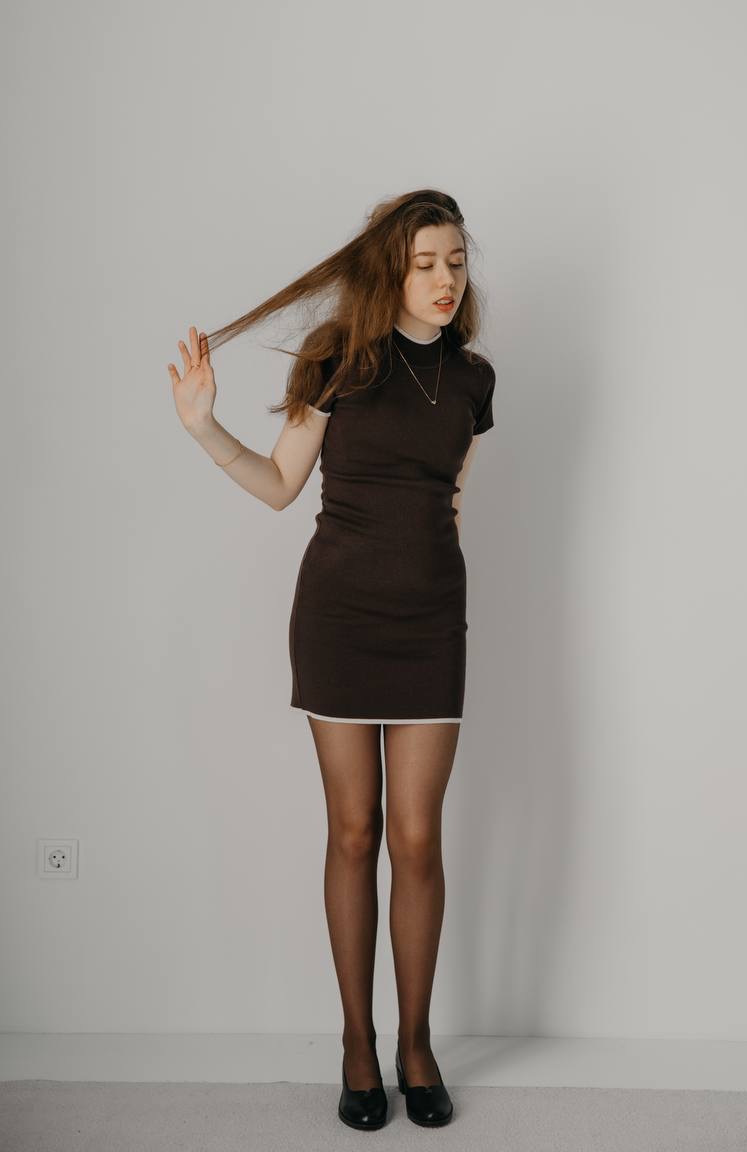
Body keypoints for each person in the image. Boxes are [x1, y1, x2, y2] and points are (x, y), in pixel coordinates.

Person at [167, 189, 496, 1129]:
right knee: (353, 833)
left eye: (456, 262)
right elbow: (280, 484)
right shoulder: (338, 360)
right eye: (425, 263)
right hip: (339, 619)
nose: (444, 279)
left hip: (430, 624)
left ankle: (415, 1045)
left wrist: (434, 584)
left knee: (417, 840)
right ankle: (357, 1044)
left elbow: (451, 502)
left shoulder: (473, 381)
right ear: (392, 269)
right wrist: (202, 427)